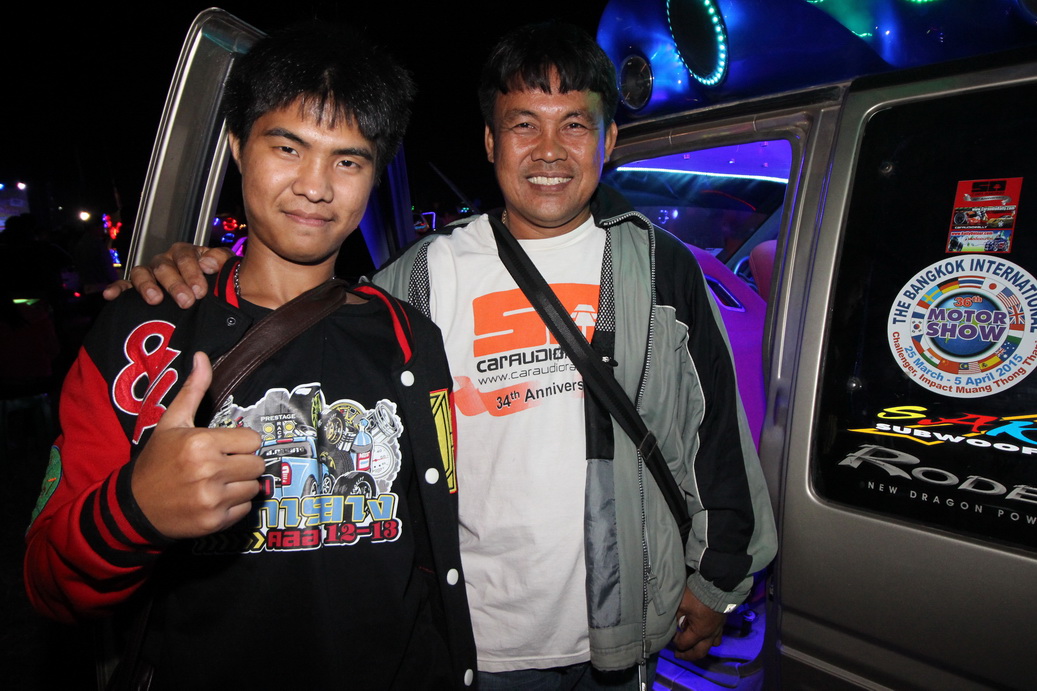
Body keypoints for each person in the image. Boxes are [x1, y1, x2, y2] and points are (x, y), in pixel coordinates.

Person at [115, 21, 777, 690]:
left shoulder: (657, 267)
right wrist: (204, 272)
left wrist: (718, 578)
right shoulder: (421, 276)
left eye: (574, 125)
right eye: (523, 125)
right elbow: (301, 310)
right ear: (490, 141)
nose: (549, 150)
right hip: (471, 638)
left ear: (607, 141)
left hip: (620, 630)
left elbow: (712, 433)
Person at [25, 22, 477, 689]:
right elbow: (46, 580)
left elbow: (427, 542)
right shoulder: (145, 331)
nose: (315, 186)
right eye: (288, 147)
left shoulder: (409, 336)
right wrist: (134, 508)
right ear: (238, 146)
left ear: (375, 176)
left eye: (348, 161)